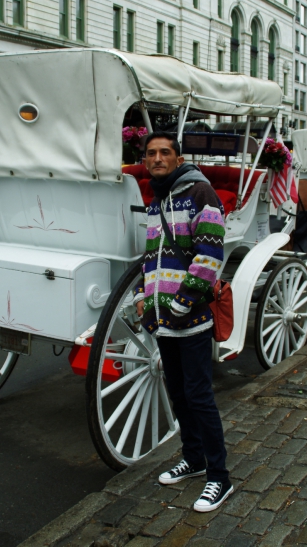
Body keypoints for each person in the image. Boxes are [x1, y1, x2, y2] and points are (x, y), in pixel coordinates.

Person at [132, 132, 232, 513]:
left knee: (199, 395)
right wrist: (145, 298)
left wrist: (182, 301)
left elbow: (210, 253)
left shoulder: (200, 194)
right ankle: (194, 459)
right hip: (162, 318)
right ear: (146, 160)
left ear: (177, 158)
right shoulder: (157, 201)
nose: (158, 158)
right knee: (177, 391)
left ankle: (219, 478)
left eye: (165, 153)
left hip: (189, 316)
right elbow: (151, 257)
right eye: (152, 153)